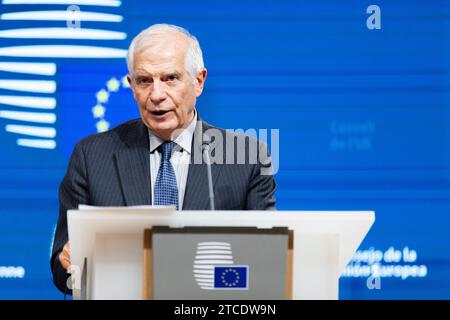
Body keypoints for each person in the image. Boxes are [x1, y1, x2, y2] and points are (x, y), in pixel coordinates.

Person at [50, 24, 276, 294]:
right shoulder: (91, 156)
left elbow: (267, 262)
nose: (156, 95)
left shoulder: (247, 158)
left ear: (199, 81)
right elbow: (61, 268)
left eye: (170, 78)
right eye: (145, 81)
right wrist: (67, 266)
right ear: (132, 86)